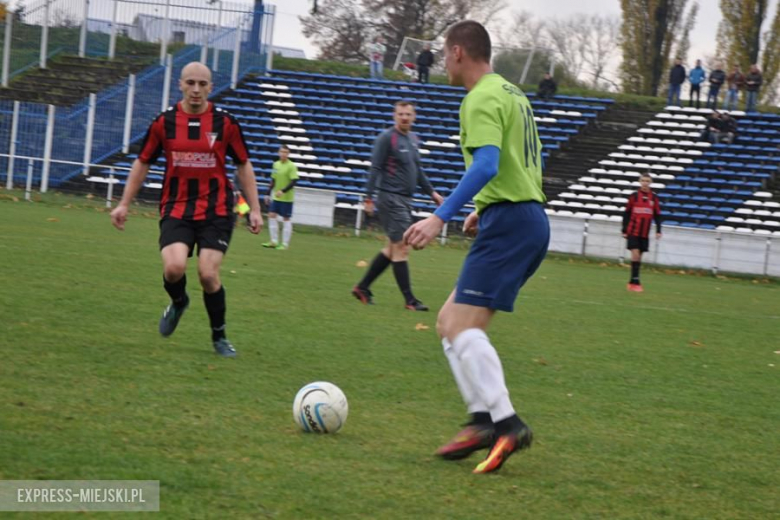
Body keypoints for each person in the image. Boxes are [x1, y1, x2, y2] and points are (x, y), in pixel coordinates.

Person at [403, 20, 549, 474]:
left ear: (458, 52)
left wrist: (439, 215)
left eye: (444, 54)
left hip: (512, 222)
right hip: (522, 218)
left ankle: (506, 422)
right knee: (449, 322)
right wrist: (483, 208)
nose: (443, 62)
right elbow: (517, 161)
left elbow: (487, 163)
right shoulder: (512, 93)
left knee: (463, 328)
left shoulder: (479, 97)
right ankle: (480, 420)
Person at [110, 62, 262, 357]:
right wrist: (124, 203)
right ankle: (179, 302)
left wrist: (254, 208)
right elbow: (143, 162)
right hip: (176, 207)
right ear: (180, 84)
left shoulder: (226, 123)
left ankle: (219, 337)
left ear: (210, 87)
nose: (195, 89)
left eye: (202, 84)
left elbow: (243, 164)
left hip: (216, 210)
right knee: (174, 267)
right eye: (190, 83)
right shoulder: (163, 123)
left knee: (207, 274)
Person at [352, 100, 444, 311]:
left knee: (392, 249)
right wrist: (368, 198)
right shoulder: (387, 138)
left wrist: (432, 193)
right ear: (395, 115)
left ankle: (363, 287)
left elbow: (417, 170)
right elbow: (375, 168)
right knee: (402, 248)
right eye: (400, 113)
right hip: (391, 199)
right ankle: (410, 300)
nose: (404, 117)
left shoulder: (412, 139)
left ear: (414, 117)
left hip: (404, 200)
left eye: (408, 114)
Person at [622, 173, 662, 293]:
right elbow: (627, 213)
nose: (645, 183)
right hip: (633, 230)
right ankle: (637, 282)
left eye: (647, 181)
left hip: (645, 233)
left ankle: (631, 281)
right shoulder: (634, 196)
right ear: (640, 182)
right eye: (643, 180)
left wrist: (659, 230)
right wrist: (624, 229)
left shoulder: (654, 198)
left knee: (639, 257)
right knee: (635, 254)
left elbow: (657, 215)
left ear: (650, 183)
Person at [263, 144, 299, 250]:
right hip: (276, 197)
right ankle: (274, 241)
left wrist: (283, 191)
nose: (283, 154)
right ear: (279, 153)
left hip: (287, 198)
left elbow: (294, 181)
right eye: (282, 152)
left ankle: (284, 244)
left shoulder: (291, 166)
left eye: (285, 152)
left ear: (288, 154)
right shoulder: (276, 165)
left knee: (286, 218)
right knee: (271, 215)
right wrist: (267, 193)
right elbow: (273, 180)